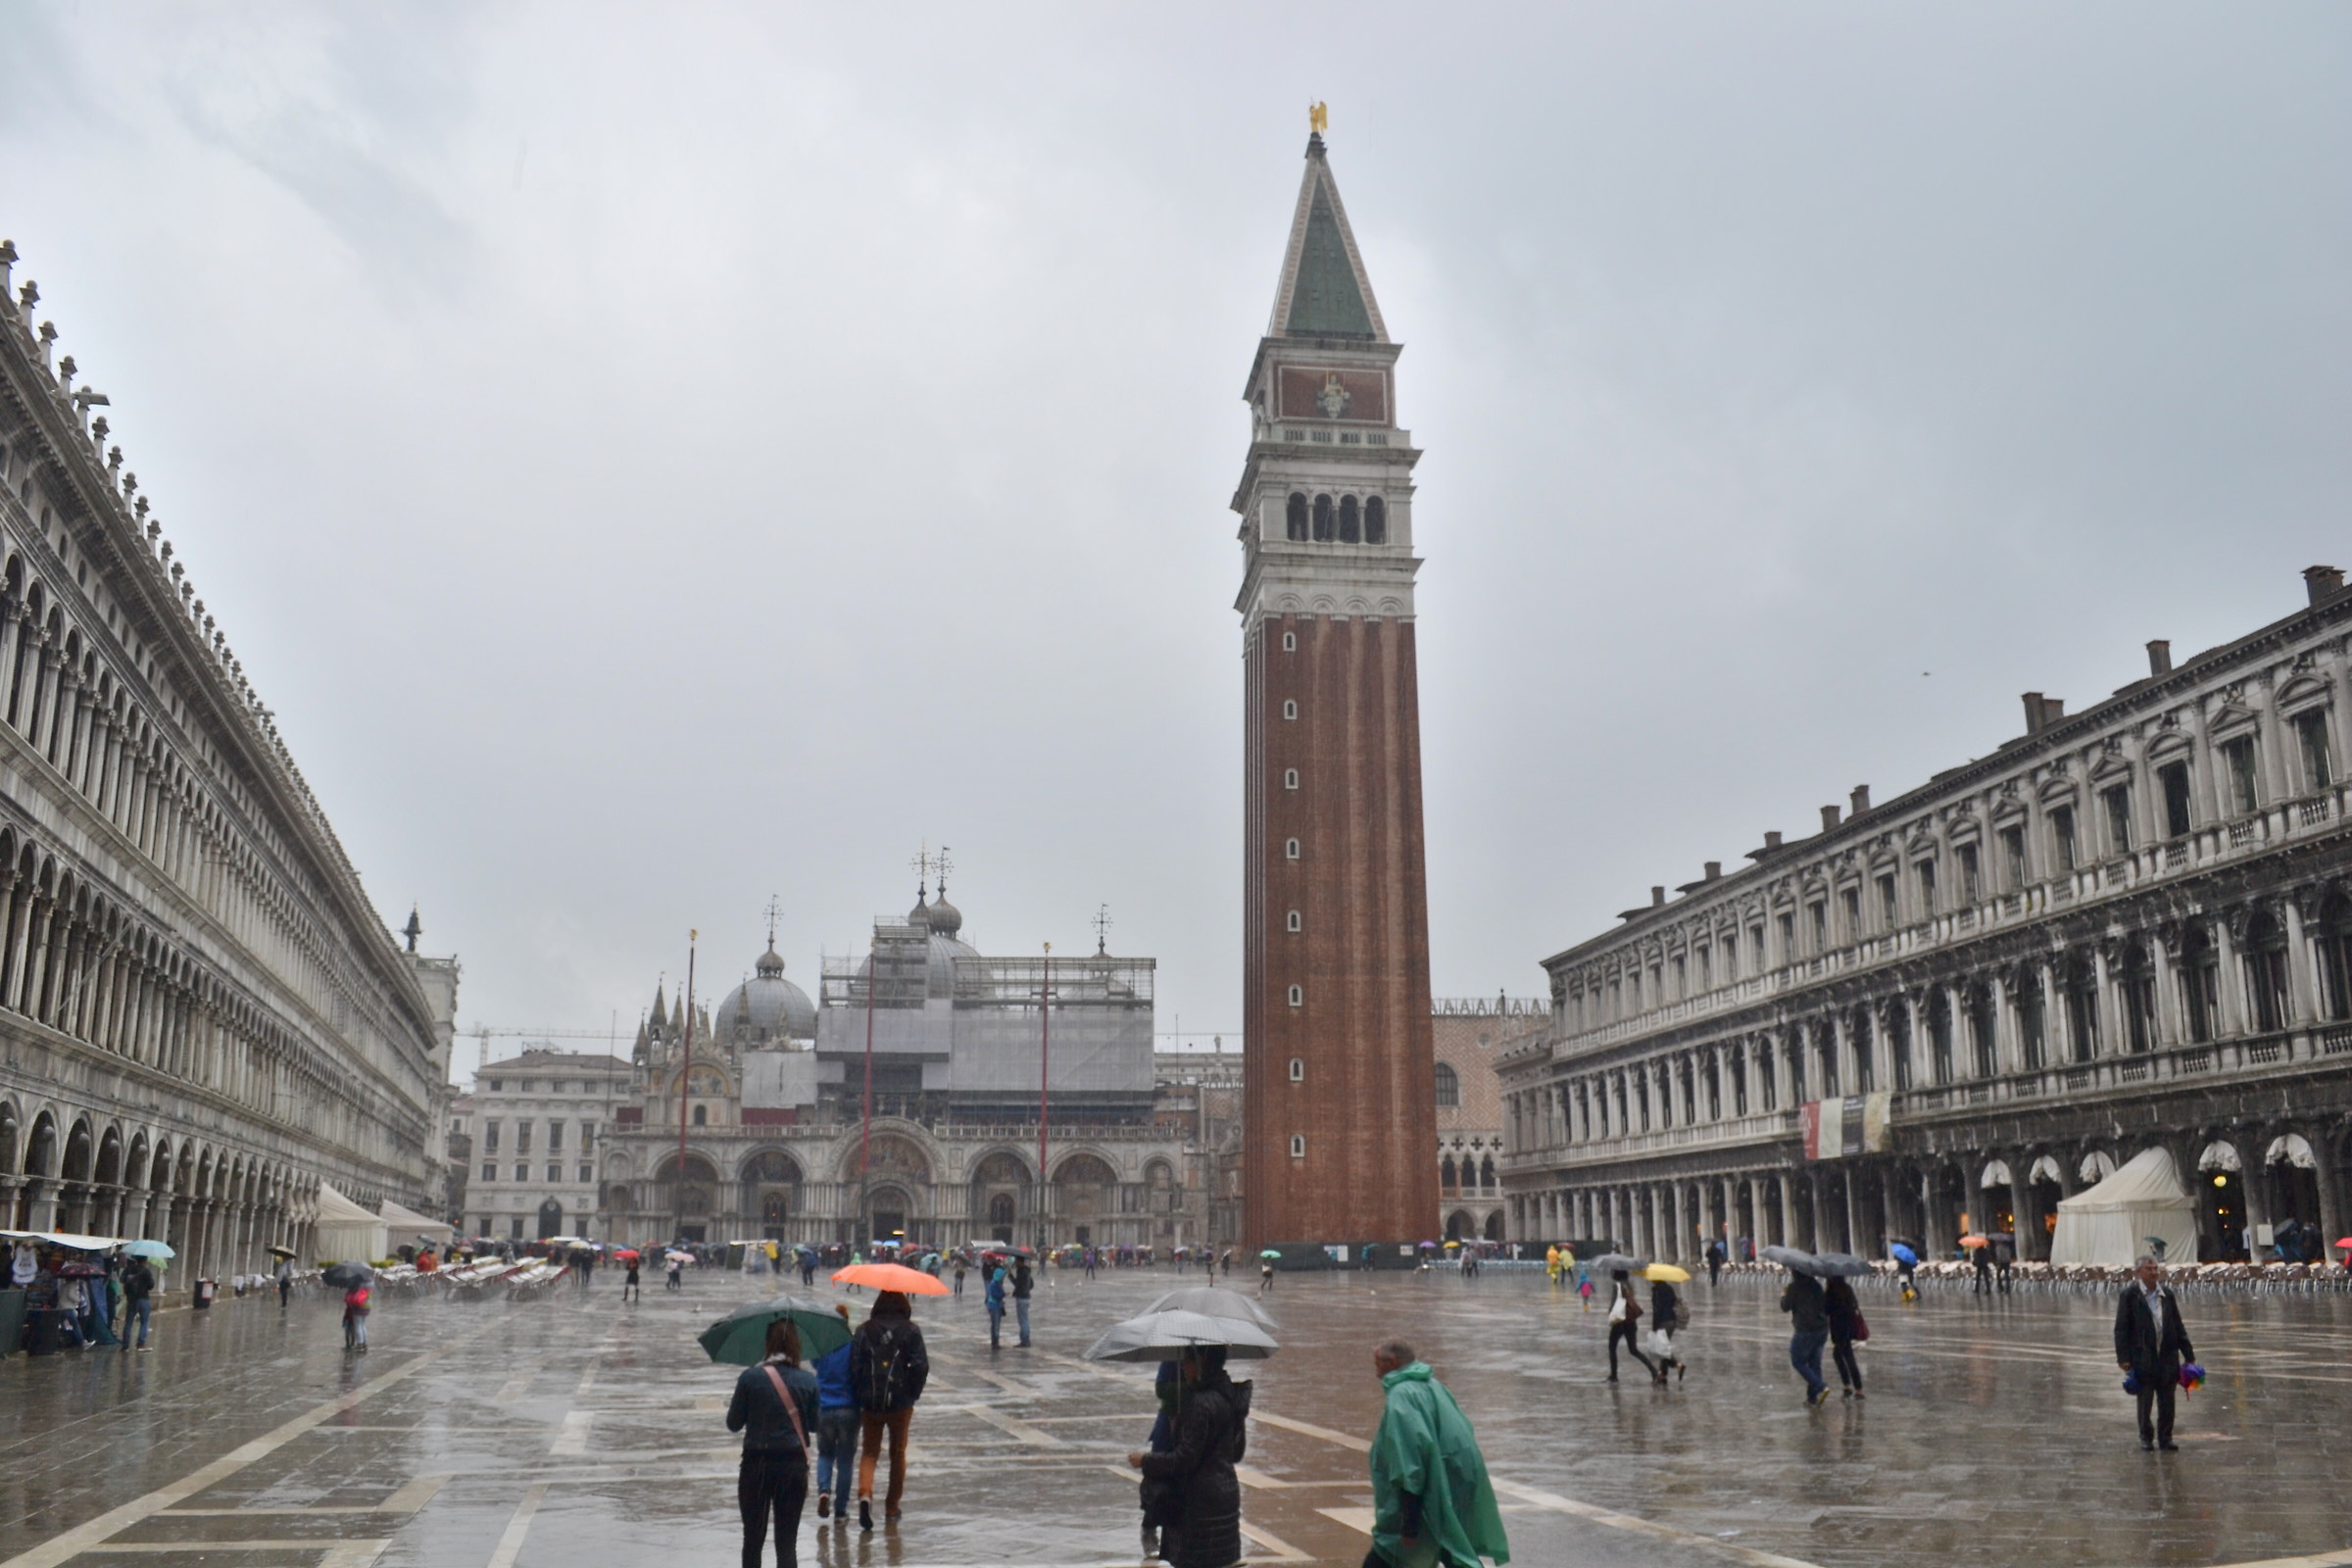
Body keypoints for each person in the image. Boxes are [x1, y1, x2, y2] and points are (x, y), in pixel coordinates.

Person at [1363, 1338, 1509, 1568]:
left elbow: (1409, 1461)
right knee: (1452, 1551)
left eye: (1377, 1364)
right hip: (1452, 1491)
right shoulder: (1433, 1385)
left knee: (1386, 1558)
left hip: (1423, 1502)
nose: (1376, 1373)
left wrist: (1409, 1523)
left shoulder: (1401, 1396)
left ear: (1391, 1362)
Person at [1128, 1347, 1250, 1568]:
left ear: (1201, 1361)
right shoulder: (1232, 1397)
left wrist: (1145, 1461)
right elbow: (1236, 1451)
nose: (1182, 1365)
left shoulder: (1199, 1403)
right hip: (1226, 1499)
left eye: (1186, 1360)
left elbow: (1184, 1460)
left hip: (1199, 1507)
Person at [727, 1317, 819, 1568]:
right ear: (797, 1346)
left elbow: (733, 1423)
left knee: (753, 1540)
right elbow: (814, 1425)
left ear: (767, 1344)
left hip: (756, 1464)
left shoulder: (750, 1378)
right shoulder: (808, 1381)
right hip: (793, 1466)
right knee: (787, 1543)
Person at [850, 1290, 929, 1531]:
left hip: (871, 1402)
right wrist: (911, 1394)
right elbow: (920, 1366)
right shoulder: (911, 1330)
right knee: (898, 1453)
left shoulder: (864, 1329)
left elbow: (854, 1366)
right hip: (901, 1404)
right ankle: (891, 1507)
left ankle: (865, 1493)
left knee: (869, 1452)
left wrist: (861, 1393)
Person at [2114, 1254, 2194, 1451]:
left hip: (2167, 1356)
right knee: (2145, 1402)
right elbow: (2121, 1328)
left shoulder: (2166, 1294)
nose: (2153, 1273)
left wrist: (2188, 1353)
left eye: (2155, 1269)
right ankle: (2146, 1437)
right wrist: (2123, 1357)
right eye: (2149, 1269)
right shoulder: (2130, 1295)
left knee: (2167, 1401)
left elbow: (2177, 1324)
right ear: (2139, 1272)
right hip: (2143, 1357)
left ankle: (2166, 1437)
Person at [811, 1305, 858, 1521]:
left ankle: (823, 1490)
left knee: (825, 1454)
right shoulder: (853, 1345)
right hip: (849, 1408)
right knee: (846, 1460)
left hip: (824, 1407)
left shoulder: (822, 1345)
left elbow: (814, 1364)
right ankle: (840, 1510)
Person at [1781, 1267, 1829, 1407]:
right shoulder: (1816, 1286)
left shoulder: (1794, 1287)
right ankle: (1812, 1398)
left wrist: (1784, 1295)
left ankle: (1820, 1386)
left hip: (1805, 1329)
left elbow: (1785, 1307)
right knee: (1815, 1362)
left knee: (1797, 1361)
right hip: (1821, 1328)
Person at [1604, 1270, 1655, 1384]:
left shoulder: (1617, 1285)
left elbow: (1614, 1303)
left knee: (1612, 1347)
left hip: (1620, 1321)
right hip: (1631, 1321)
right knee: (1633, 1350)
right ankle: (1654, 1371)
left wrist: (1610, 1314)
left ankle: (1614, 1375)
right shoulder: (1629, 1285)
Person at [1824, 1275, 1865, 1399]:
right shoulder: (1847, 1288)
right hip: (1849, 1326)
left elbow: (1826, 1310)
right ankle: (1850, 1387)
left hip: (1838, 1327)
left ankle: (1855, 1388)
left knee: (1846, 1356)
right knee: (1840, 1355)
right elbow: (1855, 1305)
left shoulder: (1831, 1292)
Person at [1647, 1276, 1684, 1385]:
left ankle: (1677, 1365)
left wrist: (1654, 1326)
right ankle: (1662, 1375)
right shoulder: (1669, 1288)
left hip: (1664, 1321)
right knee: (1662, 1347)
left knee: (1662, 1348)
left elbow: (1657, 1309)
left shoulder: (1657, 1291)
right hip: (1672, 1320)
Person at [121, 1254, 157, 1351]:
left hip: (131, 1299)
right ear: (145, 1260)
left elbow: (122, 1279)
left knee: (128, 1322)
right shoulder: (146, 1271)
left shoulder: (129, 1269)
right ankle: (141, 1344)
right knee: (144, 1322)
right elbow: (151, 1285)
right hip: (143, 1298)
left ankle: (125, 1345)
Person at [983, 1256, 1007, 1348]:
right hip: (995, 1306)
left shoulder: (995, 1283)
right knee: (995, 1325)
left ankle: (995, 1341)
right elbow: (995, 1295)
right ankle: (995, 1342)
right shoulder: (994, 1284)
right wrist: (1003, 1294)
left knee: (995, 1325)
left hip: (995, 1306)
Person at [1011, 1254, 1035, 1348]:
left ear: (1020, 1262)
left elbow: (1017, 1283)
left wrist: (1010, 1275)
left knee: (1023, 1321)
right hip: (1026, 1297)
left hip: (1021, 1298)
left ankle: (1025, 1341)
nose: (1015, 1263)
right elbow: (1031, 1284)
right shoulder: (1027, 1271)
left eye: (1016, 1262)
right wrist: (1026, 1289)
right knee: (1025, 1320)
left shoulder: (1022, 1272)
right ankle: (1026, 1340)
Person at [342, 1282, 370, 1352]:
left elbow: (348, 1299)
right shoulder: (366, 1283)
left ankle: (360, 1344)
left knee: (358, 1326)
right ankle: (364, 1343)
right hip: (366, 1307)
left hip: (357, 1308)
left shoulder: (354, 1283)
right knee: (362, 1325)